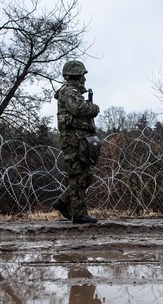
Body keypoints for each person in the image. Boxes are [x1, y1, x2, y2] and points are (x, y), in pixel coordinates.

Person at [52, 60, 100, 224]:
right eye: (82, 76)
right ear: (77, 76)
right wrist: (94, 108)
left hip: (79, 139)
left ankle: (63, 202)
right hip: (72, 140)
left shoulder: (73, 92)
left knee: (85, 176)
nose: (84, 79)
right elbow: (78, 109)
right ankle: (79, 214)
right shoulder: (69, 92)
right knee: (78, 176)